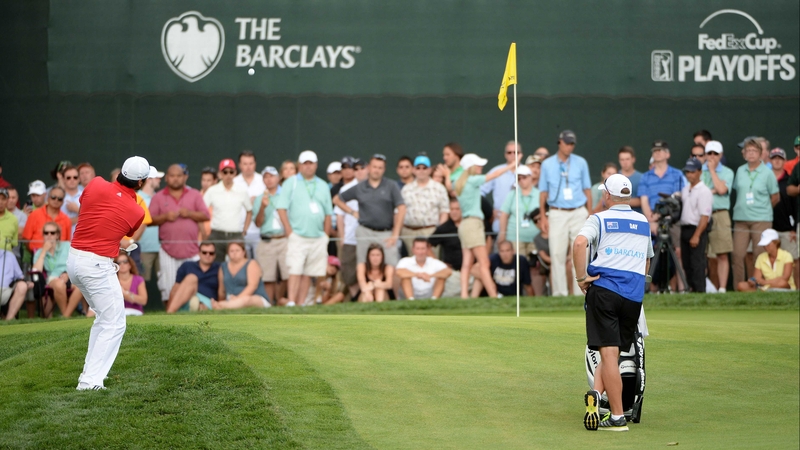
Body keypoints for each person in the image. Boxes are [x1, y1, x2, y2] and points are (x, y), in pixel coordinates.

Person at [573, 173, 653, 432]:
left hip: (605, 291)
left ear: (607, 195)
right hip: (633, 295)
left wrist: (581, 277)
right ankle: (597, 392)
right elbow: (646, 260)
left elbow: (579, 242)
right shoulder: (643, 221)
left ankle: (617, 416)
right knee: (613, 354)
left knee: (607, 354)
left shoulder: (599, 218)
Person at [67, 156, 149, 391]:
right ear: (141, 182)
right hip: (96, 265)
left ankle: (90, 376)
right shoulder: (136, 211)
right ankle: (90, 381)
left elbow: (94, 215)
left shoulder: (95, 183)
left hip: (74, 260)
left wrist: (115, 243)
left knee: (105, 319)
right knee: (114, 323)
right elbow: (121, 225)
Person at [450, 153, 515, 298]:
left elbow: (451, 178)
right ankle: (493, 295)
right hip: (473, 224)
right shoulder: (472, 180)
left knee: (467, 262)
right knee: (483, 262)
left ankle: (464, 296)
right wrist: (512, 165)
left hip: (465, 224)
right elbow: (496, 174)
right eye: (478, 165)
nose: (481, 167)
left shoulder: (458, 182)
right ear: (471, 167)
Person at [538, 130, 592, 297]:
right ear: (559, 142)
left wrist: (589, 212)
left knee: (581, 252)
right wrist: (542, 216)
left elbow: (587, 189)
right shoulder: (547, 164)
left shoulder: (581, 162)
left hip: (578, 211)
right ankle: (559, 294)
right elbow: (543, 192)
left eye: (572, 144)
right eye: (567, 143)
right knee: (556, 253)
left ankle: (580, 292)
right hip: (557, 211)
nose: (569, 146)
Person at [276, 150, 333, 307]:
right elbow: (281, 208)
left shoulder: (322, 185)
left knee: (309, 272)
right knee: (295, 269)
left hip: (317, 236)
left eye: (311, 163)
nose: (308, 167)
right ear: (300, 165)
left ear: (316, 165)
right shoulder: (291, 182)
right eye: (305, 163)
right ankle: (292, 301)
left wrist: (326, 235)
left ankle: (300, 304)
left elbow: (328, 213)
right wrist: (289, 231)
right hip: (298, 235)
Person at [149, 164, 210, 303]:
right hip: (168, 251)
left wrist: (189, 213)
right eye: (172, 176)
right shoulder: (158, 197)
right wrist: (164, 217)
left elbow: (206, 215)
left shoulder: (194, 194)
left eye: (179, 176)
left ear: (184, 177)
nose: (175, 179)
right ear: (166, 178)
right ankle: (169, 316)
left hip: (192, 251)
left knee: (195, 289)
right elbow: (149, 220)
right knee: (168, 288)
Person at [334, 154, 406, 270]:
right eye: (374, 167)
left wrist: (396, 234)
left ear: (384, 169)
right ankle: (365, 288)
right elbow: (337, 200)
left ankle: (389, 287)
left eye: (380, 167)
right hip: (365, 231)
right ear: (369, 168)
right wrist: (352, 213)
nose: (376, 170)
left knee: (391, 264)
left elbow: (402, 208)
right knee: (362, 264)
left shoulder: (391, 186)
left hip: (386, 233)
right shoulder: (360, 187)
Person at [637, 140, 687, 291]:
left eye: (660, 150)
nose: (657, 153)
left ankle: (682, 290)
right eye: (655, 151)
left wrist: (660, 217)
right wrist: (651, 219)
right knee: (650, 255)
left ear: (667, 154)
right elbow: (644, 199)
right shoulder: (646, 177)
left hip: (672, 220)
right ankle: (650, 289)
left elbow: (678, 197)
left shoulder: (677, 174)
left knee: (677, 253)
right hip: (651, 221)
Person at [732, 138, 779, 289]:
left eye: (754, 151)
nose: (751, 154)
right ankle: (739, 287)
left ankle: (757, 288)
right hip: (741, 219)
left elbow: (775, 197)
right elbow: (738, 191)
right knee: (737, 255)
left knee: (759, 255)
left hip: (761, 220)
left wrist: (762, 209)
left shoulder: (767, 173)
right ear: (744, 154)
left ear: (760, 154)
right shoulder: (740, 170)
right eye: (748, 151)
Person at [204, 158, 252, 262]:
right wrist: (205, 232)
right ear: (220, 174)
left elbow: (249, 210)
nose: (228, 175)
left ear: (235, 173)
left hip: (235, 234)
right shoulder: (212, 191)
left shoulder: (241, 191)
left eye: (231, 172)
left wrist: (244, 230)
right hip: (217, 234)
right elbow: (202, 210)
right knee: (215, 266)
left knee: (239, 265)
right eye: (225, 172)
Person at [702, 141, 735, 293]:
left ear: (720, 155)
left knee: (722, 253)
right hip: (701, 215)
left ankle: (722, 289)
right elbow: (698, 192)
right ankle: (704, 288)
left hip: (719, 214)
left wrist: (712, 171)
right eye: (709, 153)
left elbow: (721, 189)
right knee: (702, 255)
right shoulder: (698, 171)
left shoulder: (727, 172)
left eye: (716, 154)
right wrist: (712, 189)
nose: (712, 157)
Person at [32, 222, 83, 318]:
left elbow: (76, 262)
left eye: (52, 233)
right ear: (43, 235)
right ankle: (66, 315)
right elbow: (36, 270)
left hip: (69, 275)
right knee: (59, 284)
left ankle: (65, 316)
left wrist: (67, 274)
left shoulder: (67, 245)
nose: (49, 235)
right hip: (52, 278)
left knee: (81, 285)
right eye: (46, 233)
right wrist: (44, 251)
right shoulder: (39, 251)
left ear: (57, 235)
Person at [400, 155, 450, 253]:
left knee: (431, 263)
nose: (421, 171)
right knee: (411, 264)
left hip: (430, 231)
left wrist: (439, 232)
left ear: (430, 170)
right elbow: (400, 211)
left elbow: (444, 211)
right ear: (414, 170)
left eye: (424, 168)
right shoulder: (406, 189)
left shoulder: (439, 188)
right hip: (409, 232)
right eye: (418, 168)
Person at [253, 166, 288, 302]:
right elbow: (258, 223)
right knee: (268, 278)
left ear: (278, 178)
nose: (269, 179)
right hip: (267, 240)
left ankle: (281, 301)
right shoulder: (260, 199)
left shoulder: (286, 194)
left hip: (284, 238)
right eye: (266, 177)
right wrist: (262, 206)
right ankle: (270, 305)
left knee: (288, 274)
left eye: (271, 176)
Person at [679, 158, 713, 293]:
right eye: (687, 172)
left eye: (692, 172)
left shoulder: (704, 191)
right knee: (687, 263)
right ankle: (691, 289)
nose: (689, 174)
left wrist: (697, 235)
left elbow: (705, 217)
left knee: (697, 263)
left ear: (699, 172)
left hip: (697, 229)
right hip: (685, 229)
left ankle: (700, 291)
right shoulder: (685, 188)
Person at [334, 156, 364, 300]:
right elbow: (339, 216)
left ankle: (363, 298)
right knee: (348, 271)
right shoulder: (345, 189)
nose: (350, 171)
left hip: (365, 236)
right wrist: (342, 237)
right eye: (344, 168)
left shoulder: (368, 187)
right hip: (350, 237)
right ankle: (355, 298)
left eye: (354, 168)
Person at [211, 241, 271, 309]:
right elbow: (222, 291)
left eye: (237, 250)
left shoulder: (251, 263)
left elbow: (252, 286)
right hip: (231, 300)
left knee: (247, 300)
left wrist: (237, 298)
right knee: (237, 302)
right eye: (232, 251)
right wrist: (222, 299)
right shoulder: (223, 267)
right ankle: (221, 305)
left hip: (255, 298)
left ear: (243, 252)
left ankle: (222, 306)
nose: (234, 253)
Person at [165, 241, 221, 313]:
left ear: (215, 255)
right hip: (186, 299)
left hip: (209, 303)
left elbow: (222, 291)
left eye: (211, 253)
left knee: (195, 303)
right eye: (204, 252)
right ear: (199, 253)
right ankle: (170, 313)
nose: (207, 255)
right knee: (191, 278)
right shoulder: (187, 266)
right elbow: (175, 289)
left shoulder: (219, 268)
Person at [482, 141, 524, 234]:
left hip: (522, 223)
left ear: (521, 154)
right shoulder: (497, 171)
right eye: (509, 152)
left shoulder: (527, 172)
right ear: (505, 155)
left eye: (516, 152)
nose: (513, 155)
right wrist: (490, 211)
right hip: (500, 223)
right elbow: (480, 191)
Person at [769, 148, 799, 279]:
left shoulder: (789, 180)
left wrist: (793, 229)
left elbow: (796, 205)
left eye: (779, 158)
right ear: (770, 160)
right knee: (770, 259)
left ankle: (796, 288)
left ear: (785, 161)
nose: (777, 161)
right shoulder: (765, 178)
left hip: (787, 228)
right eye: (774, 158)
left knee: (793, 259)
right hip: (768, 227)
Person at [498, 165, 540, 259]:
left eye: (524, 177)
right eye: (518, 178)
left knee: (535, 267)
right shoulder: (512, 194)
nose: (521, 180)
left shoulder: (539, 194)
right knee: (519, 266)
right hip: (515, 237)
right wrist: (502, 234)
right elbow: (504, 215)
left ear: (530, 177)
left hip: (535, 237)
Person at [428, 198, 465, 298]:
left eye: (457, 209)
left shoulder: (469, 225)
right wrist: (439, 264)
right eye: (451, 209)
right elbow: (428, 245)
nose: (454, 212)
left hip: (470, 268)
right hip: (452, 271)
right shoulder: (444, 228)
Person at [233, 150, 266, 257]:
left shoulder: (263, 180)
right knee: (242, 266)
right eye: (245, 164)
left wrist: (258, 201)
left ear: (255, 164)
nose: (248, 167)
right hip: (239, 230)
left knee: (260, 266)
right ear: (239, 165)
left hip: (259, 231)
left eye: (251, 163)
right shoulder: (234, 182)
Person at [22, 186, 72, 252]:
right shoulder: (34, 215)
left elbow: (67, 243)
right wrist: (35, 253)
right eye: (53, 197)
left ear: (63, 202)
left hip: (58, 257)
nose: (56, 200)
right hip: (37, 254)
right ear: (48, 198)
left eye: (60, 199)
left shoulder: (66, 220)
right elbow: (26, 239)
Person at [137, 166, 164, 282]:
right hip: (143, 249)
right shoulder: (137, 198)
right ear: (149, 180)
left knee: (166, 284)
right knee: (141, 282)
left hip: (162, 249)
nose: (159, 180)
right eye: (157, 178)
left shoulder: (161, 198)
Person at [0, 249, 29, 320]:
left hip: (6, 291)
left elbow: (20, 276)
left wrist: (26, 282)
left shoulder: (9, 255)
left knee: (22, 286)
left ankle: (8, 322)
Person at [617, 147, 643, 213]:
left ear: (633, 159)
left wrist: (620, 200)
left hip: (636, 216)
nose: (625, 162)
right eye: (622, 160)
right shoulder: (615, 178)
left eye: (627, 159)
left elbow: (642, 201)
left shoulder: (642, 178)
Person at [61, 165, 82, 234]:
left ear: (79, 179)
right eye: (68, 178)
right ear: (63, 179)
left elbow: (93, 218)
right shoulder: (57, 197)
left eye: (75, 177)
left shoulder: (86, 196)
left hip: (81, 239)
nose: (72, 180)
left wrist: (77, 209)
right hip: (62, 239)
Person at [0, 188, 18, 254]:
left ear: (7, 201)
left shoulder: (13, 219)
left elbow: (13, 243)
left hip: (6, 257)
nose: (0, 202)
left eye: (3, 199)